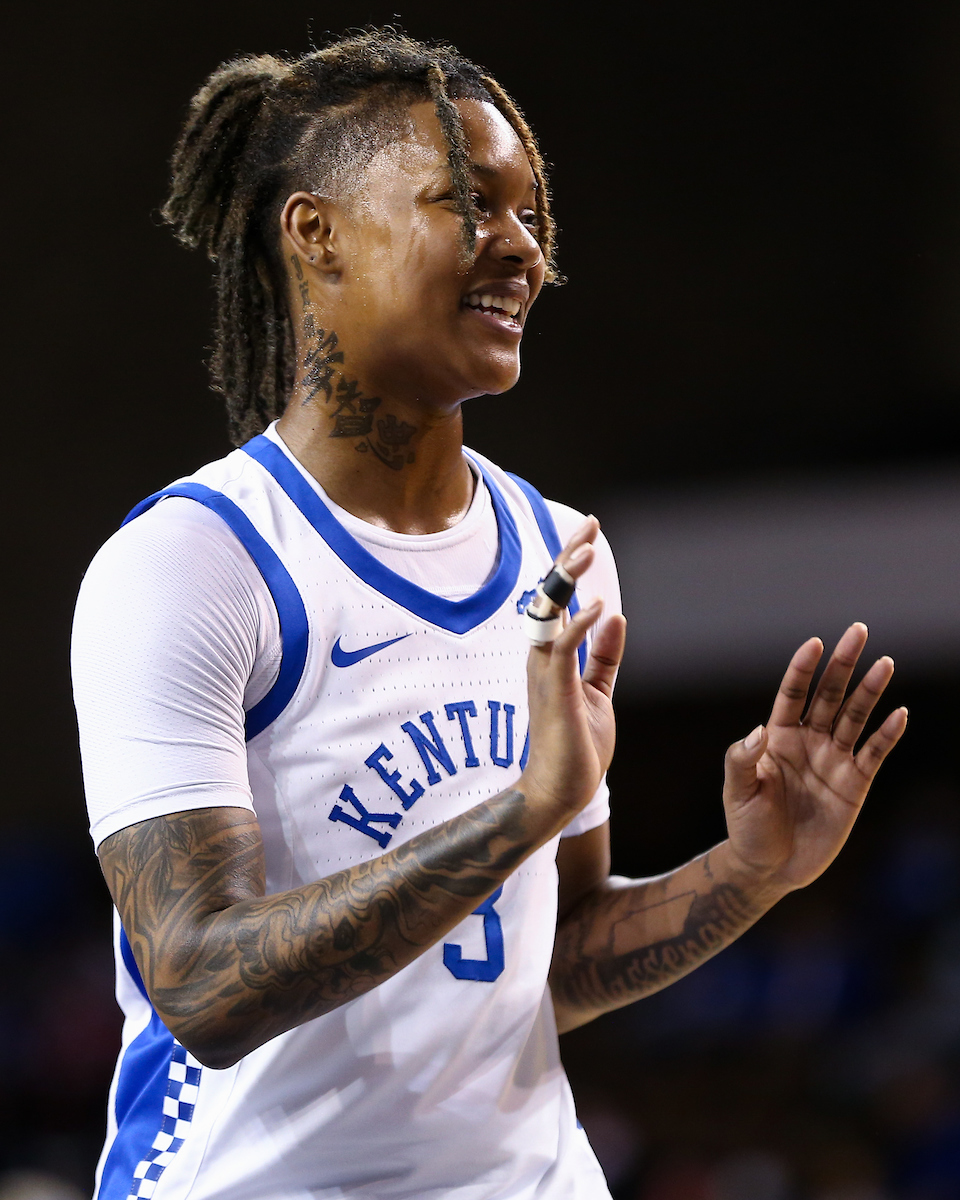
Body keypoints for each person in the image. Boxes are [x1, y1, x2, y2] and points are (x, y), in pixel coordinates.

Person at [70, 29, 907, 1200]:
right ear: (315, 233)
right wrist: (521, 813)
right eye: (467, 203)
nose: (520, 248)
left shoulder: (560, 555)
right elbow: (203, 989)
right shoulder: (193, 562)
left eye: (530, 212)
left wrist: (753, 872)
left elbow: (545, 962)